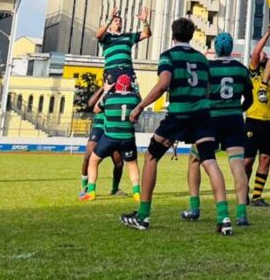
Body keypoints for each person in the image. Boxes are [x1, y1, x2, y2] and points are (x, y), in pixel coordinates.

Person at [121, 17, 233, 235]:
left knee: (151, 156)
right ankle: (224, 217)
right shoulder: (202, 59)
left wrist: (140, 106)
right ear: (191, 35)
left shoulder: (168, 56)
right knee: (209, 161)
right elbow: (208, 87)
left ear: (173, 35)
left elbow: (163, 84)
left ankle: (143, 215)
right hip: (202, 115)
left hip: (179, 114)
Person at [181, 33, 253, 227]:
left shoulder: (208, 68)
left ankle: (194, 207)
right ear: (230, 48)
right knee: (237, 165)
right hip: (234, 121)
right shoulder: (241, 69)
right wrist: (237, 109)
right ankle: (241, 213)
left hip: (210, 121)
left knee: (195, 159)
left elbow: (199, 94)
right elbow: (250, 100)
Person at [80, 76, 141, 202]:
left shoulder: (109, 98)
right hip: (128, 137)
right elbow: (141, 104)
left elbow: (96, 108)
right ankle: (137, 193)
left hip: (110, 137)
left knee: (93, 161)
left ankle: (91, 191)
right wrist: (136, 88)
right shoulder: (134, 98)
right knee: (132, 164)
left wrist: (106, 90)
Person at [244, 30, 270, 208]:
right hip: (253, 120)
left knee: (266, 159)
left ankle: (257, 196)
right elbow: (257, 52)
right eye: (261, 55)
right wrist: (268, 32)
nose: (264, 55)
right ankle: (243, 191)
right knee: (248, 161)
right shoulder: (253, 73)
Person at [79, 84, 125, 198]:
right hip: (99, 126)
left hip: (113, 127)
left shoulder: (123, 90)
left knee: (118, 161)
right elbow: (91, 104)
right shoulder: (105, 89)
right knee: (89, 153)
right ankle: (84, 186)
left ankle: (115, 189)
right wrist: (103, 88)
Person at [96, 5, 151, 86]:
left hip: (127, 70)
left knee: (132, 93)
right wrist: (109, 19)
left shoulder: (128, 36)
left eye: (120, 21)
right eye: (116, 20)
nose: (119, 22)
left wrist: (145, 21)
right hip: (111, 70)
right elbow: (98, 35)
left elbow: (147, 34)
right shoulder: (106, 36)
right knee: (110, 95)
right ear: (110, 25)